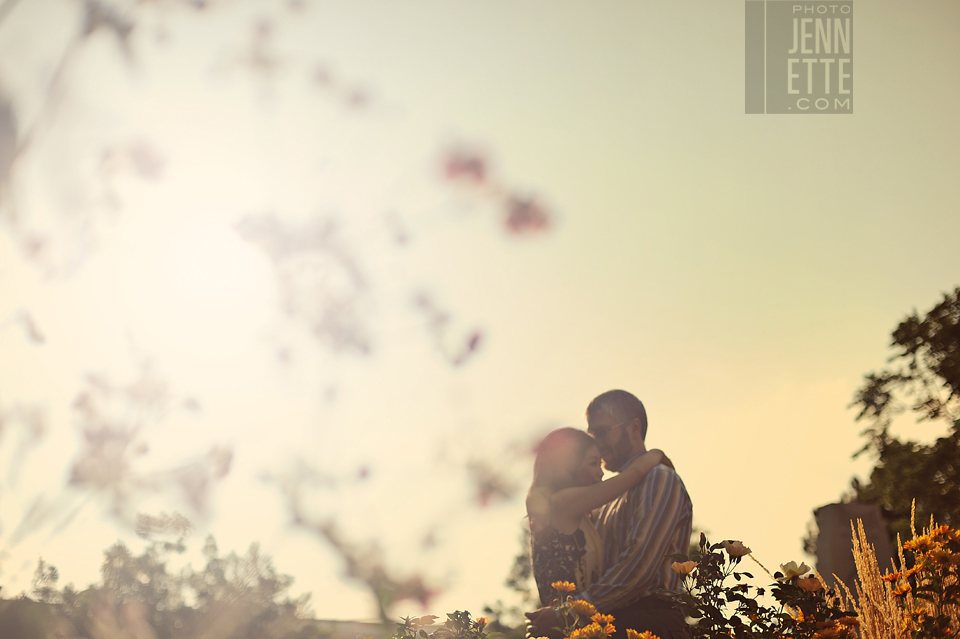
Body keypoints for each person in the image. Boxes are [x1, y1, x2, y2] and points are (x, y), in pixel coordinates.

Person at [526, 390, 693, 639]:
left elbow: (638, 569)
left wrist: (567, 613)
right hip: (606, 621)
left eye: (603, 432)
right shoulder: (604, 498)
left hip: (649, 621)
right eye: (592, 435)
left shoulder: (658, 478)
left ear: (634, 429)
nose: (597, 442)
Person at [527, 428, 672, 606]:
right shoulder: (562, 503)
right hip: (566, 624)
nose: (601, 472)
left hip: (576, 621)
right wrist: (657, 454)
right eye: (593, 463)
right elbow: (634, 474)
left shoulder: (573, 510)